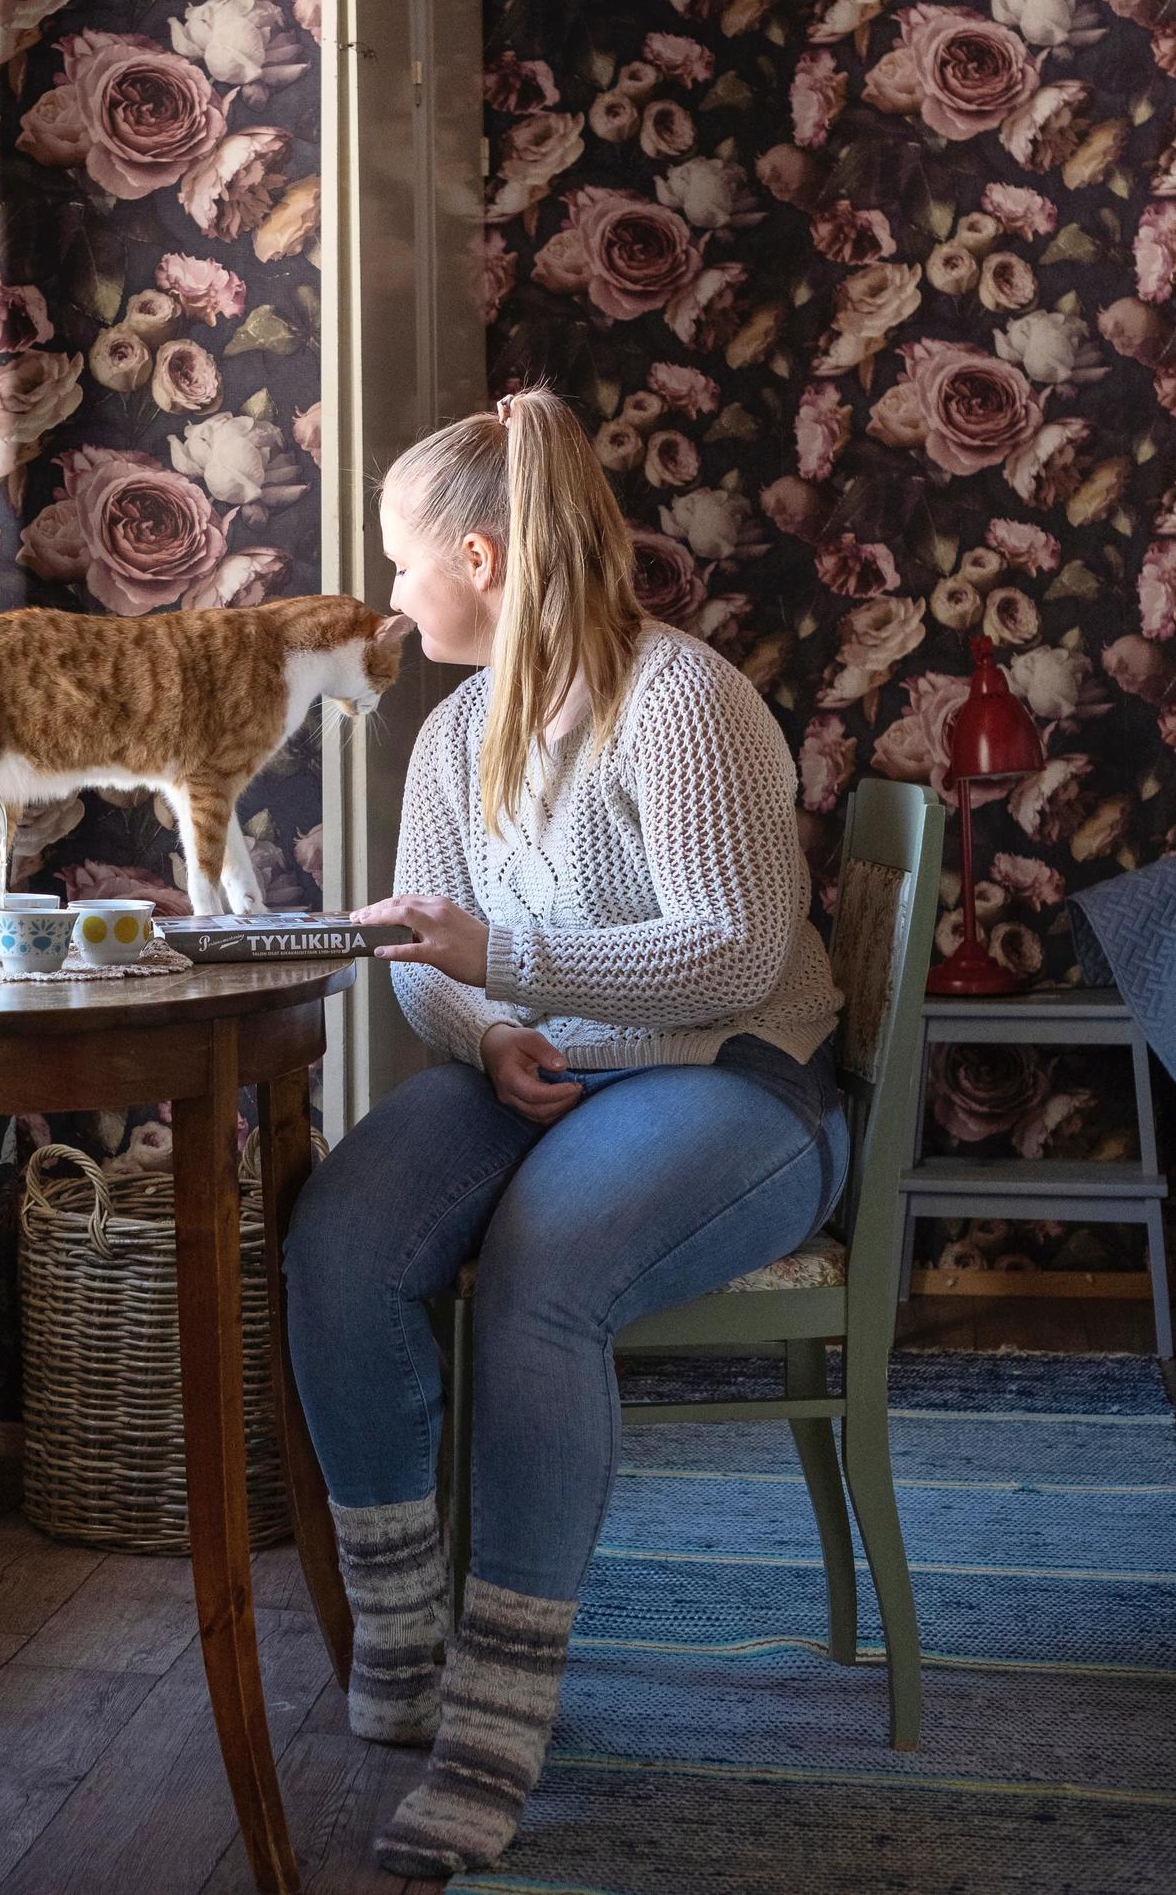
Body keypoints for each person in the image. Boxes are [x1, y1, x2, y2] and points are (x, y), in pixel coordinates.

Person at [284, 388, 846, 1881]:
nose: (392, 596)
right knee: (342, 1235)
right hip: (555, 1066)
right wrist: (491, 1027)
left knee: (541, 1277)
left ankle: (497, 1716)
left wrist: (503, 964)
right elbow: (429, 951)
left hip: (738, 1084)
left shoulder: (683, 698)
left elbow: (733, 950)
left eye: (404, 563)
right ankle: (402, 1639)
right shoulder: (457, 728)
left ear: (479, 555)